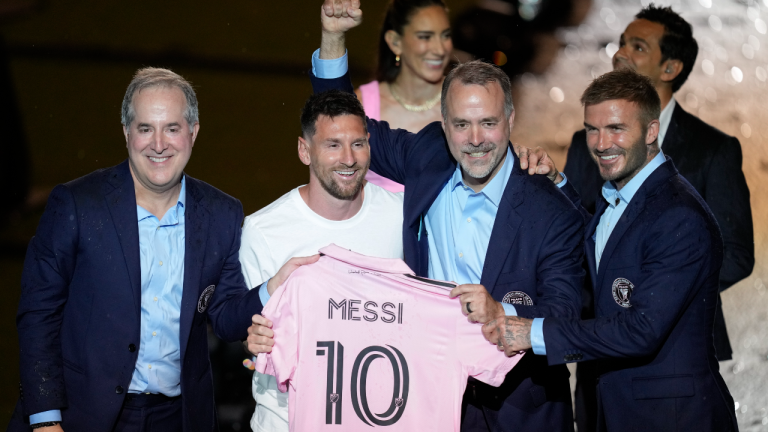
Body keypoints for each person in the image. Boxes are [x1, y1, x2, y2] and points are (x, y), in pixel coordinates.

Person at [257, 1, 585, 430]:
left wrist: (501, 313)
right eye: (461, 124)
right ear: (443, 123)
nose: (475, 140)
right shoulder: (428, 156)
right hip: (430, 401)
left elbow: (567, 318)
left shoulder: (551, 206)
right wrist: (333, 38)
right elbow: (342, 120)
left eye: (488, 123)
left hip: (524, 408)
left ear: (510, 119)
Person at [11, 68, 264, 432]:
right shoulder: (77, 205)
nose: (158, 144)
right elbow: (38, 314)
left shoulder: (222, 214)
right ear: (127, 132)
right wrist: (46, 420)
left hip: (176, 418)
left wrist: (274, 290)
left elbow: (225, 318)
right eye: (145, 128)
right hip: (78, 415)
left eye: (172, 129)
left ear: (193, 133)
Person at [487, 68, 738, 432]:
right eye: (592, 129)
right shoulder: (622, 195)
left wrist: (534, 333)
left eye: (616, 128)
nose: (601, 144)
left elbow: (641, 330)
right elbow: (606, 249)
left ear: (651, 131)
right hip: (618, 411)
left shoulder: (679, 216)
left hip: (675, 419)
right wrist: (557, 185)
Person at [562, 6, 753, 430]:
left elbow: (737, 253)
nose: (620, 53)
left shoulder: (712, 149)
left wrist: (659, 287)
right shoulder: (585, 142)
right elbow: (578, 236)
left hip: (673, 361)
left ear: (670, 66)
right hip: (598, 354)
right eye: (622, 41)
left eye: (638, 45)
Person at [239, 90, 405, 432]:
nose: (348, 158)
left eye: (358, 144)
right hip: (284, 422)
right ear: (305, 150)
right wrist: (253, 338)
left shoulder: (401, 216)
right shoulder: (263, 230)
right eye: (332, 145)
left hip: (379, 421)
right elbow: (248, 328)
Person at [356, 0, 452, 192]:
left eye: (445, 36)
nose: (440, 49)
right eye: (425, 37)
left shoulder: (462, 101)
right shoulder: (362, 104)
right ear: (395, 42)